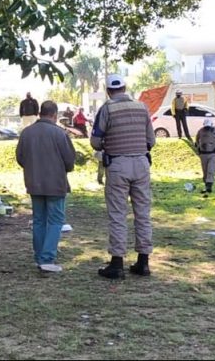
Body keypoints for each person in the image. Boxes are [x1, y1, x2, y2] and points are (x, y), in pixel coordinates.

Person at [91, 74, 156, 279]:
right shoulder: (142, 107)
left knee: (118, 214)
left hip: (118, 165)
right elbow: (151, 140)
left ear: (108, 90)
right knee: (143, 213)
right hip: (141, 164)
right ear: (125, 88)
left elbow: (95, 141)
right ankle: (143, 261)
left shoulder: (107, 109)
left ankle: (117, 263)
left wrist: (106, 145)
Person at [16, 101, 76, 273]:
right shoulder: (59, 133)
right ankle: (47, 257)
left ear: (40, 113)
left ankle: (39, 255)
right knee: (56, 220)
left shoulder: (26, 133)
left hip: (34, 182)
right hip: (55, 183)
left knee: (39, 220)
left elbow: (20, 157)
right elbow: (69, 160)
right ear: (55, 115)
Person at [195, 119, 215, 194]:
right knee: (205, 170)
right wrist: (198, 148)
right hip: (203, 154)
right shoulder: (200, 131)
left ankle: (209, 185)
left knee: (211, 169)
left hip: (213, 153)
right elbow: (197, 140)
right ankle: (206, 184)